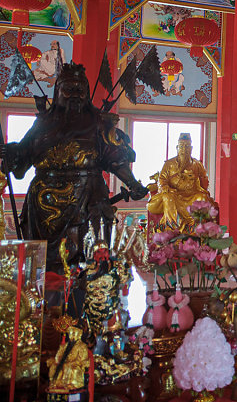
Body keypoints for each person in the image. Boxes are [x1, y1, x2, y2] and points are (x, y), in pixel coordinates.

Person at [1, 64, 150, 269]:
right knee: (42, 263)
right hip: (44, 200)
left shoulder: (97, 121)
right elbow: (24, 155)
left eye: (80, 90)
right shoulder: (43, 122)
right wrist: (12, 154)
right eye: (68, 89)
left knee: (88, 257)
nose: (75, 95)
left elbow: (114, 158)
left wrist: (133, 183)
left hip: (87, 194)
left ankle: (89, 292)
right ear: (58, 91)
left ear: (87, 93)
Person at [146, 133, 214, 230]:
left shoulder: (197, 164)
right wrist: (165, 187)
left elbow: (205, 183)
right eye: (181, 146)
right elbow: (162, 179)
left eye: (187, 146)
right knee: (168, 197)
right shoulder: (169, 164)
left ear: (191, 148)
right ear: (177, 147)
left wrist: (195, 179)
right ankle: (172, 228)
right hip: (174, 194)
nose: (184, 149)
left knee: (202, 198)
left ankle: (195, 227)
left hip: (191, 195)